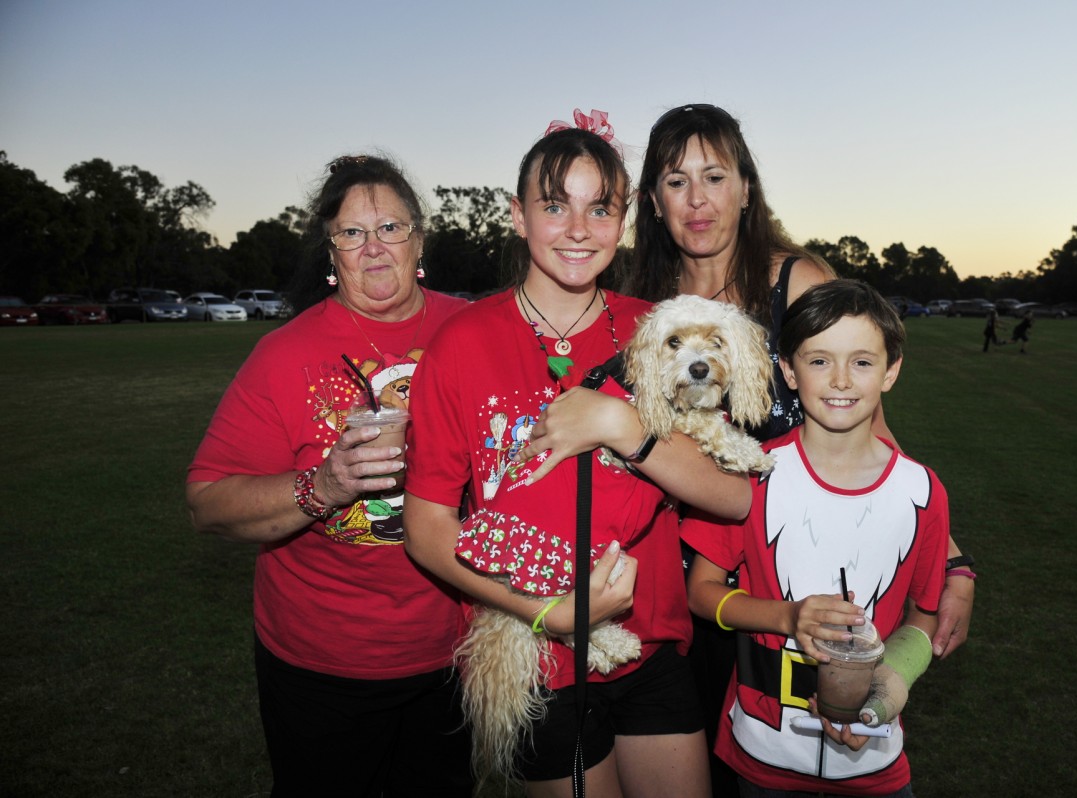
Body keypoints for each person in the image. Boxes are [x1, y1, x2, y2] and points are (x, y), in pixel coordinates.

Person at [530, 103, 974, 795]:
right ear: (654, 202)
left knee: (791, 743)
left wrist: (950, 559)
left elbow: (869, 430)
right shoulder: (643, 302)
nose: (698, 200)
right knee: (705, 762)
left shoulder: (793, 282)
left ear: (745, 187)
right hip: (677, 569)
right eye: (676, 181)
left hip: (782, 563)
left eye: (715, 177)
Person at [403, 117, 750, 798]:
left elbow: (732, 496)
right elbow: (426, 528)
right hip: (538, 653)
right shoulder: (461, 342)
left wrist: (623, 425)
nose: (578, 229)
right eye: (555, 206)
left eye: (600, 208)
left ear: (623, 221)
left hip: (650, 642)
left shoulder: (660, 329)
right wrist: (548, 614)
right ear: (518, 216)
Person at [185, 154, 472, 797]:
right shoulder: (283, 354)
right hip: (323, 664)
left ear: (419, 240)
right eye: (351, 233)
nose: (373, 247)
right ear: (330, 251)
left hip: (456, 651)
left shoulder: (474, 330)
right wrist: (323, 485)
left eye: (390, 228)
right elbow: (207, 502)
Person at [682, 279, 950, 797]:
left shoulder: (922, 491)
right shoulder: (747, 473)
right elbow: (700, 592)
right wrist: (787, 617)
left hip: (874, 762)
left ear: (891, 371)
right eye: (820, 361)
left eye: (862, 362)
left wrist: (885, 692)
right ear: (788, 370)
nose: (841, 380)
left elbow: (924, 615)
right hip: (763, 753)